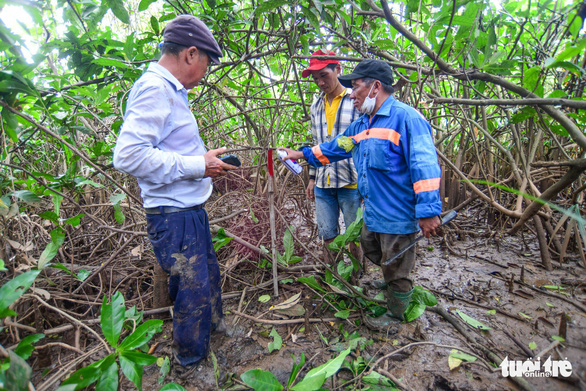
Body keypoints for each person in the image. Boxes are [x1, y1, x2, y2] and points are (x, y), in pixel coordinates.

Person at [113, 14, 236, 367]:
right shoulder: (155, 88)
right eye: (207, 64)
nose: (206, 72)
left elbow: (167, 148)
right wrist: (199, 165)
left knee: (206, 277)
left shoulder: (169, 91)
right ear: (190, 54)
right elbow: (128, 155)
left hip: (187, 211)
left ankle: (215, 334)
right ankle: (191, 361)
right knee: (191, 290)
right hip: (173, 216)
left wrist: (203, 160)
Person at [281, 59, 442, 328]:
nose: (351, 94)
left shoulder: (407, 119)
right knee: (371, 247)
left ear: (375, 87)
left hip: (399, 212)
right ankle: (391, 282)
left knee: (397, 261)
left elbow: (424, 167)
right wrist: (301, 154)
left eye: (355, 87)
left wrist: (428, 212)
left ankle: (397, 314)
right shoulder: (362, 126)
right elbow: (336, 147)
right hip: (374, 211)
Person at [301, 50, 362, 266]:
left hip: (351, 180)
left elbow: (362, 141)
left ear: (338, 69)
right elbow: (317, 143)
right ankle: (334, 277)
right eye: (315, 79)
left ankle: (356, 278)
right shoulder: (315, 106)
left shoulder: (355, 100)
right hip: (322, 182)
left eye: (323, 75)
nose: (319, 82)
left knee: (354, 236)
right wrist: (311, 178)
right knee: (327, 234)